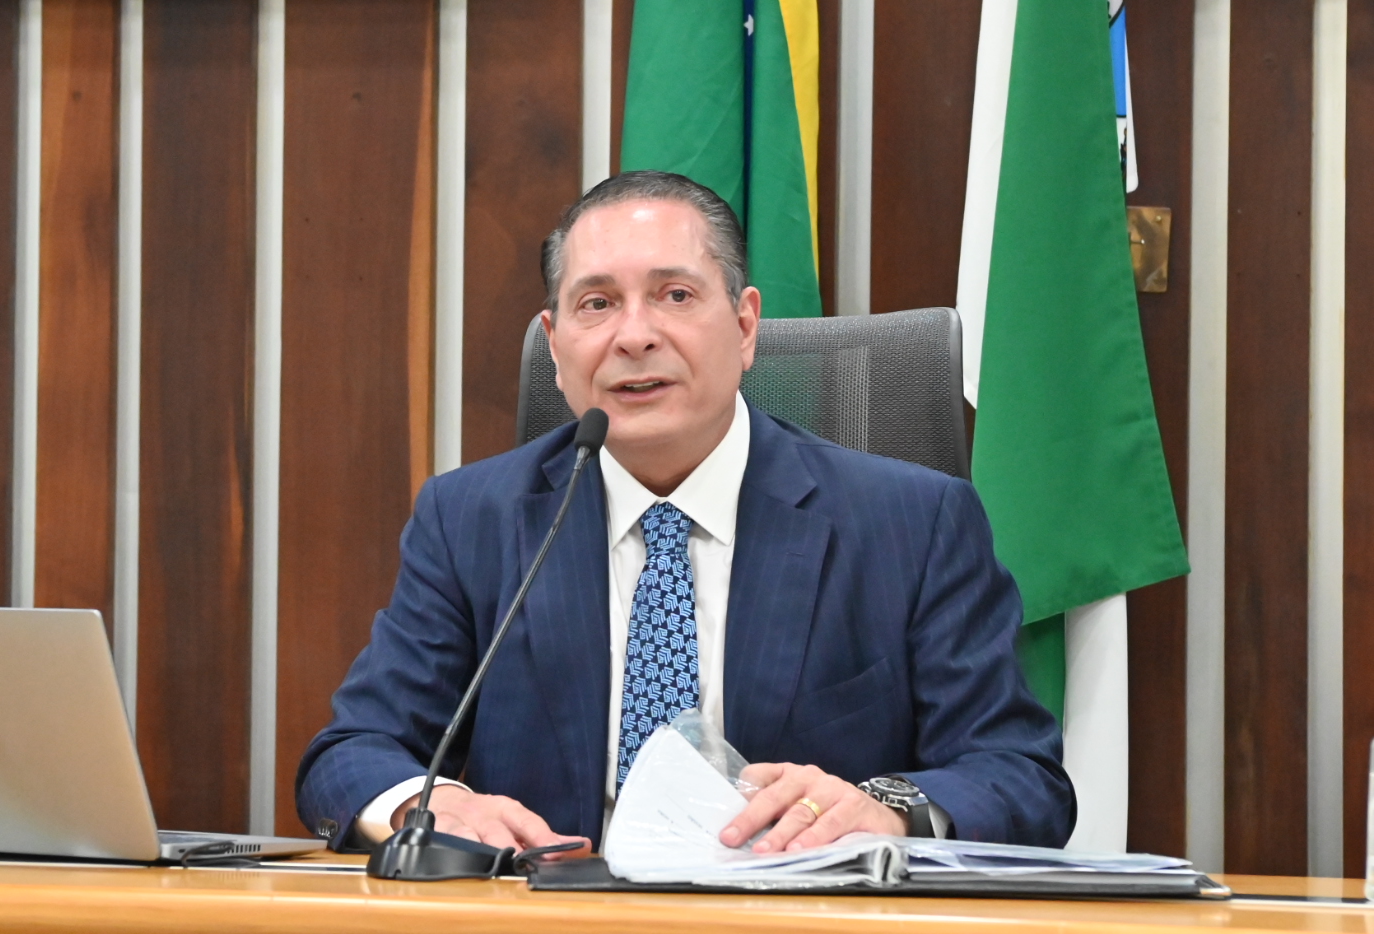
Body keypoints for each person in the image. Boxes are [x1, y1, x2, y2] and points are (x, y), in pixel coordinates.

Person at [296, 170, 1074, 856]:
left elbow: (1019, 776)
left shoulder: (913, 522)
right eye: (597, 304)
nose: (635, 336)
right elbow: (351, 753)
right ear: (556, 345)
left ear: (744, 326)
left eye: (675, 295)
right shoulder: (472, 520)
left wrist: (888, 808)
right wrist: (424, 803)